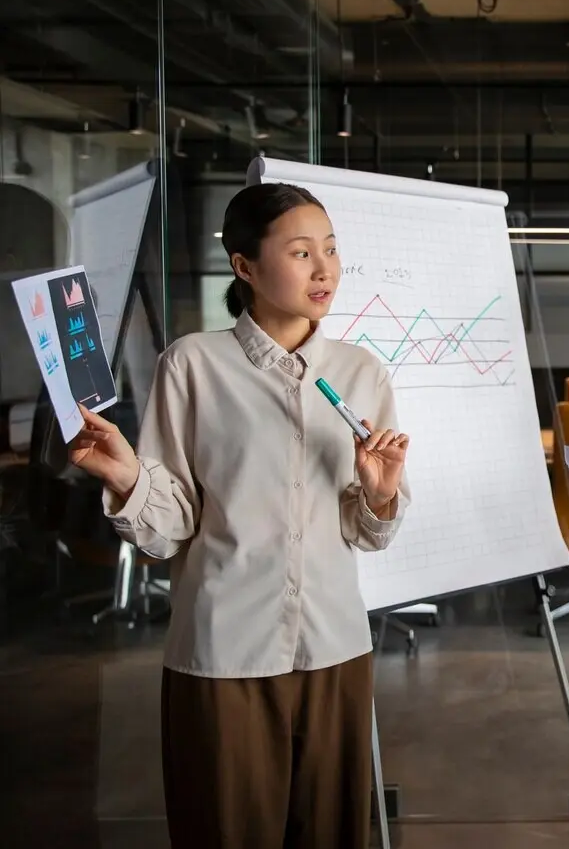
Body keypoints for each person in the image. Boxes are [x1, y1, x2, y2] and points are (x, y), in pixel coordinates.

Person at [67, 183, 411, 849]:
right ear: (246, 267)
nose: (324, 270)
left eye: (332, 251)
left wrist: (378, 493)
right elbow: (170, 529)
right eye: (302, 252)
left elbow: (370, 532)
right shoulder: (193, 365)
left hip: (334, 649)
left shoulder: (362, 372)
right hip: (225, 653)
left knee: (331, 833)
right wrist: (126, 475)